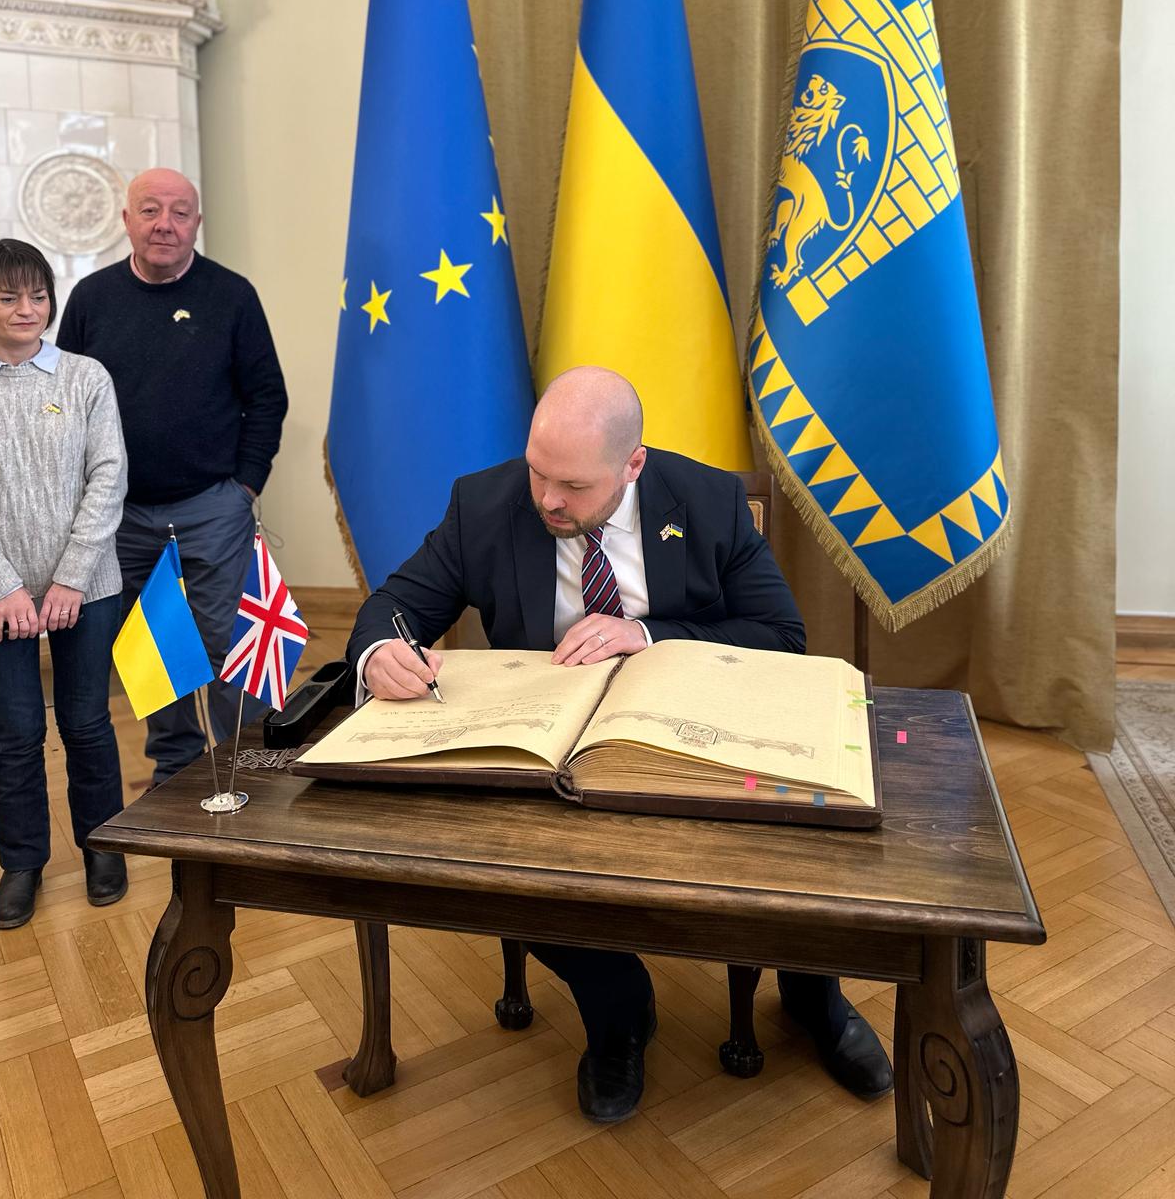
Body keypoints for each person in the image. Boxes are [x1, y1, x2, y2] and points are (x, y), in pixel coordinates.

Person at [348, 365, 893, 1123]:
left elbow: (781, 636)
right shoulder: (484, 504)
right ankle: (617, 1007)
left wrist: (648, 635)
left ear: (632, 465)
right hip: (553, 753)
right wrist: (381, 651)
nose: (547, 500)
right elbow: (394, 606)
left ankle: (812, 995)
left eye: (573, 485)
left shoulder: (705, 500)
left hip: (686, 738)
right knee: (501, 856)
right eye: (538, 472)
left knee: (795, 820)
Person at [57, 168, 288, 784]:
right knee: (153, 646)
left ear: (196, 224)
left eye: (180, 212)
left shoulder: (232, 295)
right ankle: (177, 774)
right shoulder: (91, 298)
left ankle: (253, 769)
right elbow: (68, 401)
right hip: (122, 514)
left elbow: (267, 396)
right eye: (150, 210)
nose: (165, 224)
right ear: (127, 220)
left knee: (230, 643)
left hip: (214, 504)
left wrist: (246, 484)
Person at [0, 239, 129, 929]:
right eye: (8, 296)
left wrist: (71, 578)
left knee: (87, 721)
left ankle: (103, 845)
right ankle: (22, 864)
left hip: (86, 588)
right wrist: (2, 586)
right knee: (14, 732)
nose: (27, 309)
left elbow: (108, 477)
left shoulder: (85, 377)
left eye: (37, 295)